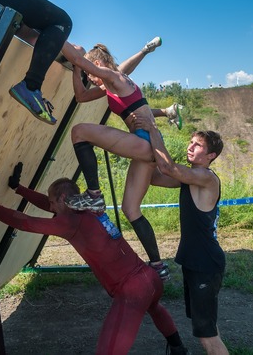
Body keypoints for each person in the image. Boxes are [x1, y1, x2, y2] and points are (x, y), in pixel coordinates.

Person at [0, 165, 189, 355]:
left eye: (53, 202)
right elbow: (49, 205)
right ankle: (179, 349)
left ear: (63, 198)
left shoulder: (68, 222)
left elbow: (26, 222)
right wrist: (18, 188)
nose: (51, 207)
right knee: (155, 308)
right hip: (149, 278)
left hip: (132, 289)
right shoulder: (87, 206)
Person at [65, 40, 182, 281]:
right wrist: (78, 70)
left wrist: (66, 45)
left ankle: (94, 196)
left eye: (90, 73)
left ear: (97, 65)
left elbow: (79, 59)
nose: (91, 77)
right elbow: (81, 96)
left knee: (79, 131)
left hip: (144, 142)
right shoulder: (113, 82)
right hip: (146, 146)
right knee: (130, 209)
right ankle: (159, 266)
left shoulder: (112, 77)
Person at [131, 113, 229, 355]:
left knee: (207, 337)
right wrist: (139, 153)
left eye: (198, 145)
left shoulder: (205, 178)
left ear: (211, 156)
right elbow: (155, 176)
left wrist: (153, 129)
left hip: (205, 264)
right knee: (208, 327)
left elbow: (167, 167)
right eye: (191, 142)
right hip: (196, 263)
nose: (190, 146)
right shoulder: (189, 178)